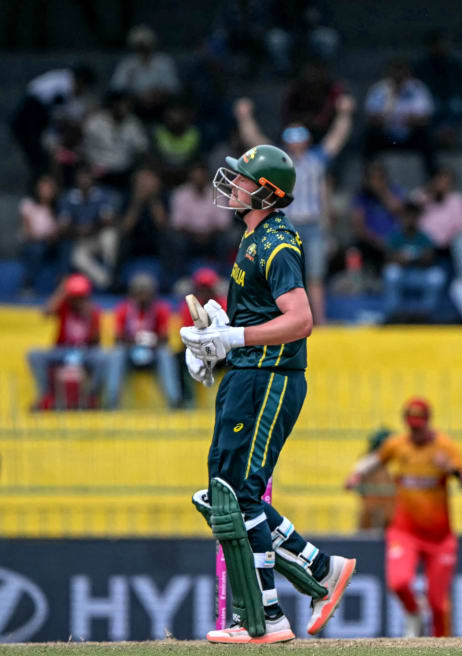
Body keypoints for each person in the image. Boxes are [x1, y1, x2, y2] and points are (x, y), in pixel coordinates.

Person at [180, 144, 357, 644]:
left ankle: (266, 617)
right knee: (228, 494)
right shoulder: (252, 239)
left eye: (240, 179)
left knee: (240, 494)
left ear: (265, 192)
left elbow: (301, 320)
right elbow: (259, 315)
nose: (231, 185)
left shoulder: (277, 242)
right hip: (249, 374)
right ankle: (321, 571)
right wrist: (219, 342)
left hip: (270, 377)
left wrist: (233, 339)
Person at [344, 398, 462, 637]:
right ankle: (414, 612)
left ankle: (443, 648)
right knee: (399, 582)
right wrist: (355, 475)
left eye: (419, 426)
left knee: (438, 604)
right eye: (411, 427)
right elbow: (373, 460)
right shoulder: (397, 445)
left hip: (439, 538)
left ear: (428, 422)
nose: (415, 432)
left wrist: (453, 471)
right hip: (405, 532)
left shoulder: (445, 448)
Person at [232, 94, 355, 324]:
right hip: (286, 226)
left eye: (301, 135)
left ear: (308, 139)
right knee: (281, 275)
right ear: (285, 139)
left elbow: (337, 138)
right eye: (291, 135)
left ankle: (320, 322)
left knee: (316, 277)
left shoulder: (317, 160)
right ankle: (280, 321)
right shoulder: (279, 163)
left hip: (314, 226)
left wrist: (345, 114)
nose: (296, 140)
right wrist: (244, 117)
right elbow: (255, 142)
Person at [27, 274, 111, 410]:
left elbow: (97, 342)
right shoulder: (63, 307)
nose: (76, 301)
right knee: (34, 355)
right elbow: (46, 313)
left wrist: (89, 319)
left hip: (85, 352)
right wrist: (62, 290)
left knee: (103, 358)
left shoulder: (93, 310)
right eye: (73, 297)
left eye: (80, 297)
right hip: (62, 350)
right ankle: (46, 396)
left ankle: (91, 397)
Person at [111, 273, 180, 409]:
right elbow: (117, 338)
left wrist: (149, 340)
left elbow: (164, 338)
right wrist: (136, 340)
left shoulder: (161, 308)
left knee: (165, 354)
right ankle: (111, 403)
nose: (142, 296)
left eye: (146, 292)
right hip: (130, 352)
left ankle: (174, 401)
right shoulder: (124, 308)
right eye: (139, 292)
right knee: (116, 354)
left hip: (153, 352)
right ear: (133, 293)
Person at [362, 59, 436, 177]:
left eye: (401, 72)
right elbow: (372, 117)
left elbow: (425, 118)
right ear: (389, 73)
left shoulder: (418, 88)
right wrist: (393, 107)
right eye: (395, 72)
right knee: (369, 135)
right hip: (387, 136)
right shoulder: (379, 90)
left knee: (426, 137)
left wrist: (393, 118)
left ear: (408, 73)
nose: (398, 76)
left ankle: (432, 178)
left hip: (410, 136)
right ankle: (367, 177)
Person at [383, 202, 446, 322]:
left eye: (413, 216)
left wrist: (408, 258)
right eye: (408, 216)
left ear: (418, 218)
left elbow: (429, 258)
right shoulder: (396, 236)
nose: (411, 219)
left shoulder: (424, 237)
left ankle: (425, 314)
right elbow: (389, 257)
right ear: (403, 217)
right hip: (403, 274)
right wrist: (406, 258)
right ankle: (393, 314)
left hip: (419, 274)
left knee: (437, 276)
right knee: (390, 273)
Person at [60, 166, 118, 291]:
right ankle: (106, 282)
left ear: (92, 179)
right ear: (76, 180)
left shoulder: (102, 196)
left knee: (110, 235)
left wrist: (91, 227)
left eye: (87, 177)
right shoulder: (68, 198)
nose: (84, 180)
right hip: (80, 240)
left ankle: (113, 270)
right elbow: (63, 226)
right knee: (77, 257)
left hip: (98, 236)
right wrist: (78, 229)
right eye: (81, 177)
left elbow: (108, 221)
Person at [19, 173, 70, 296]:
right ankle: (27, 284)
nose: (46, 190)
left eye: (50, 188)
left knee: (66, 245)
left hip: (53, 243)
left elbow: (63, 226)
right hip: (34, 242)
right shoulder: (28, 204)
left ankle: (61, 286)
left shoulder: (59, 206)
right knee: (36, 249)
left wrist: (56, 233)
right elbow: (29, 231)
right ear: (37, 188)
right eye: (44, 187)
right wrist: (45, 236)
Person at [414, 167, 462, 253]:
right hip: (423, 248)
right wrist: (429, 193)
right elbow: (412, 207)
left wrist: (448, 242)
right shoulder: (424, 197)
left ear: (451, 184)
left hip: (448, 249)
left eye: (446, 181)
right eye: (439, 180)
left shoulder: (458, 200)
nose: (442, 184)